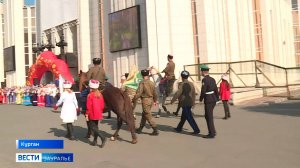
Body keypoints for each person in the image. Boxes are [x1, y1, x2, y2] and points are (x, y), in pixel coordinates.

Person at [134, 69, 159, 136]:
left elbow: (139, 93)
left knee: (147, 115)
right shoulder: (151, 82)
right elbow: (155, 93)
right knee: (144, 114)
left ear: (142, 75)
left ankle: (155, 130)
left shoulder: (142, 82)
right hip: (151, 100)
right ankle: (140, 128)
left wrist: (134, 99)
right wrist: (155, 100)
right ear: (148, 74)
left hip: (145, 100)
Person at [199, 64, 219, 139]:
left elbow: (203, 90)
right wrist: (217, 98)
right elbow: (216, 89)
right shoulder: (212, 79)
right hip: (213, 99)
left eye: (201, 71)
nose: (201, 72)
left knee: (208, 117)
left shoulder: (204, 80)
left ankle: (211, 133)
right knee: (208, 116)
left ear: (203, 72)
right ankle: (213, 131)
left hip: (208, 99)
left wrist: (201, 99)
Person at [85, 79, 107, 148]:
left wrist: (87, 113)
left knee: (92, 127)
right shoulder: (100, 94)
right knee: (96, 126)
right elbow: (102, 105)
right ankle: (95, 141)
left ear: (91, 87)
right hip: (98, 112)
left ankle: (102, 137)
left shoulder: (90, 95)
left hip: (92, 112)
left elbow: (88, 106)